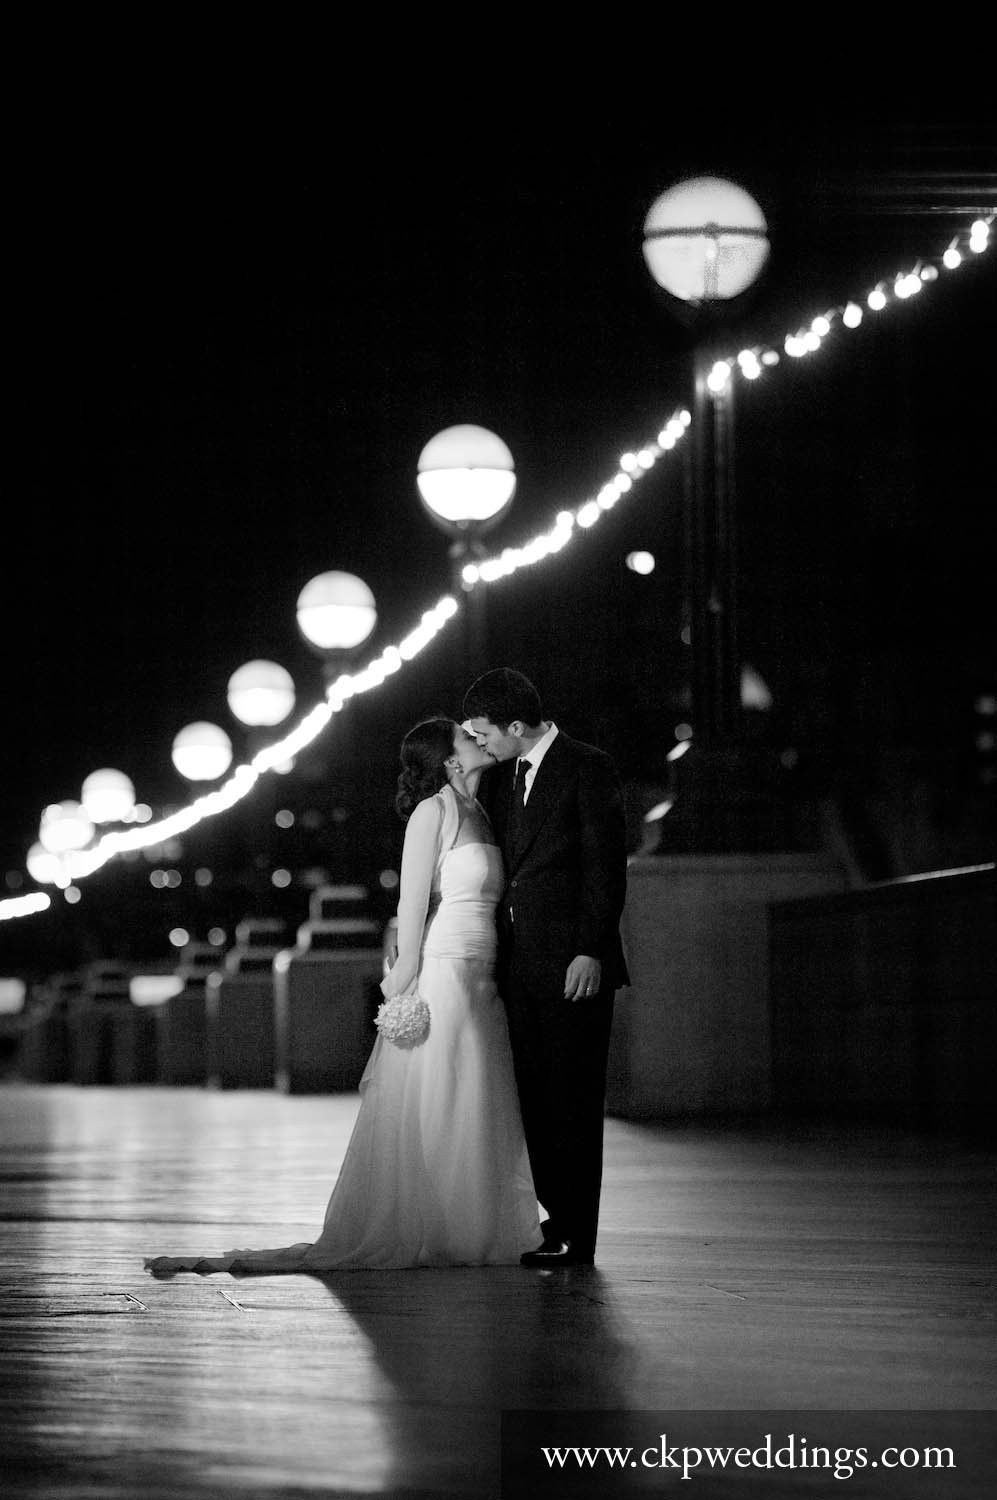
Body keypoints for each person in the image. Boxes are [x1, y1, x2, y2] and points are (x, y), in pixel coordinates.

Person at [144, 718, 539, 1275]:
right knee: (443, 1092)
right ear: (448, 759)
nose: (476, 737)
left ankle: (470, 1225)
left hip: (484, 971)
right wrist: (404, 978)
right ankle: (433, 1227)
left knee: (478, 1092)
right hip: (446, 967)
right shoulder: (434, 812)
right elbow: (410, 903)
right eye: (463, 737)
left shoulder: (481, 810)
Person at [462, 668, 629, 1268]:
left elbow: (606, 865)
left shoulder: (588, 766)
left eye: (485, 733)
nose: (480, 743)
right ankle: (554, 1220)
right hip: (520, 968)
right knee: (534, 1099)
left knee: (574, 1100)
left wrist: (592, 949)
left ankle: (578, 1237)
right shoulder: (503, 780)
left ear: (515, 725)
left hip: (573, 965)